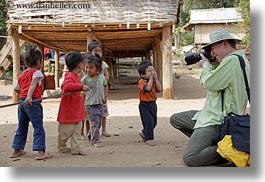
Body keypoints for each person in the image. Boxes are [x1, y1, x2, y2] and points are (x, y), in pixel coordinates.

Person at [170, 28, 250, 166]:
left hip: (218, 119)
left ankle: (231, 150)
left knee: (191, 158)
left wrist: (206, 65)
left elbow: (210, 83)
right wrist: (213, 64)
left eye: (213, 48)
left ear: (225, 44)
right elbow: (221, 83)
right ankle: (214, 144)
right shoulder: (238, 60)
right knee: (176, 119)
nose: (212, 53)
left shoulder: (232, 61)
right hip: (209, 115)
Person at [11, 45, 52, 160]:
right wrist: (29, 96)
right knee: (38, 127)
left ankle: (16, 150)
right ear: (39, 61)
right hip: (32, 102)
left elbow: (16, 89)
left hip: (22, 103)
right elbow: (33, 84)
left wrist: (23, 96)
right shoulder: (37, 73)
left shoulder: (22, 74)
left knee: (22, 126)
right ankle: (40, 153)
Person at [57, 51, 89, 156]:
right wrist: (81, 87)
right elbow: (66, 87)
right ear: (79, 64)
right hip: (69, 112)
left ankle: (76, 149)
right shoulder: (69, 76)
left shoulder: (76, 76)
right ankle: (62, 146)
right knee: (65, 132)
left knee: (77, 132)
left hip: (77, 111)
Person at [81, 54, 108, 147]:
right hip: (90, 104)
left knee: (99, 122)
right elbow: (80, 88)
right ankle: (95, 141)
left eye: (91, 68)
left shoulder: (101, 78)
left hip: (100, 103)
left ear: (98, 69)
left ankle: (90, 135)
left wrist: (105, 96)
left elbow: (105, 85)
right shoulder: (85, 79)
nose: (88, 70)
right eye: (87, 67)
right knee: (94, 123)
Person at [87, 41, 111, 137]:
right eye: (95, 51)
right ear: (90, 52)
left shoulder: (103, 64)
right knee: (89, 114)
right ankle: (89, 131)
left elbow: (107, 77)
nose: (98, 53)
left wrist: (100, 78)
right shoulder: (88, 64)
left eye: (99, 51)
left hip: (101, 92)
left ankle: (104, 130)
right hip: (90, 93)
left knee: (103, 112)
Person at [137, 61, 162, 146]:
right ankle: (149, 138)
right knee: (149, 122)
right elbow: (147, 88)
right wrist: (151, 79)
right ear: (142, 74)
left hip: (153, 104)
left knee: (154, 122)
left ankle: (144, 132)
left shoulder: (154, 81)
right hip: (144, 104)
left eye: (153, 70)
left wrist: (156, 79)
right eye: (149, 71)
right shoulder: (142, 82)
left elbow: (160, 89)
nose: (152, 73)